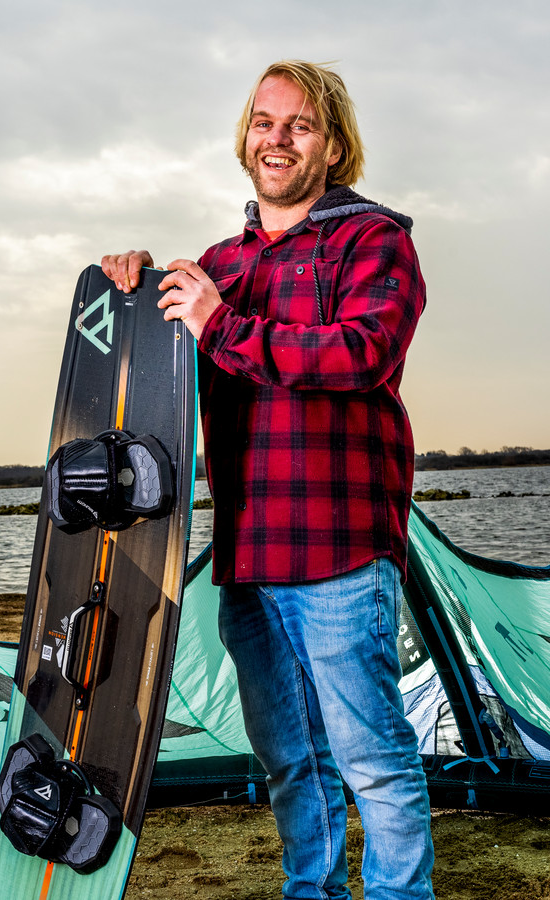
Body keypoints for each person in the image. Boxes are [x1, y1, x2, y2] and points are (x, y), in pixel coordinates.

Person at [101, 59, 432, 900]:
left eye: (299, 125)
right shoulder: (220, 263)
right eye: (263, 122)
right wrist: (137, 293)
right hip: (246, 556)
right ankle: (309, 892)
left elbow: (360, 355)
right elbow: (163, 387)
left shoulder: (375, 240)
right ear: (245, 139)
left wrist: (219, 319)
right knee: (291, 761)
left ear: (333, 145)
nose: (276, 139)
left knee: (374, 761)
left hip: (340, 551)